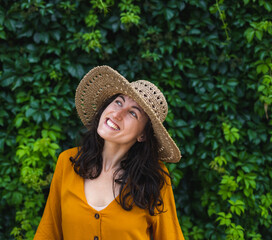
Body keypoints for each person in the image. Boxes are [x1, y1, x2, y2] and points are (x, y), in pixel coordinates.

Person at [34, 65, 185, 240]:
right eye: (118, 102)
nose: (117, 114)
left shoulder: (154, 180)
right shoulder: (68, 162)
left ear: (142, 134)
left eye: (133, 113)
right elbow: (48, 232)